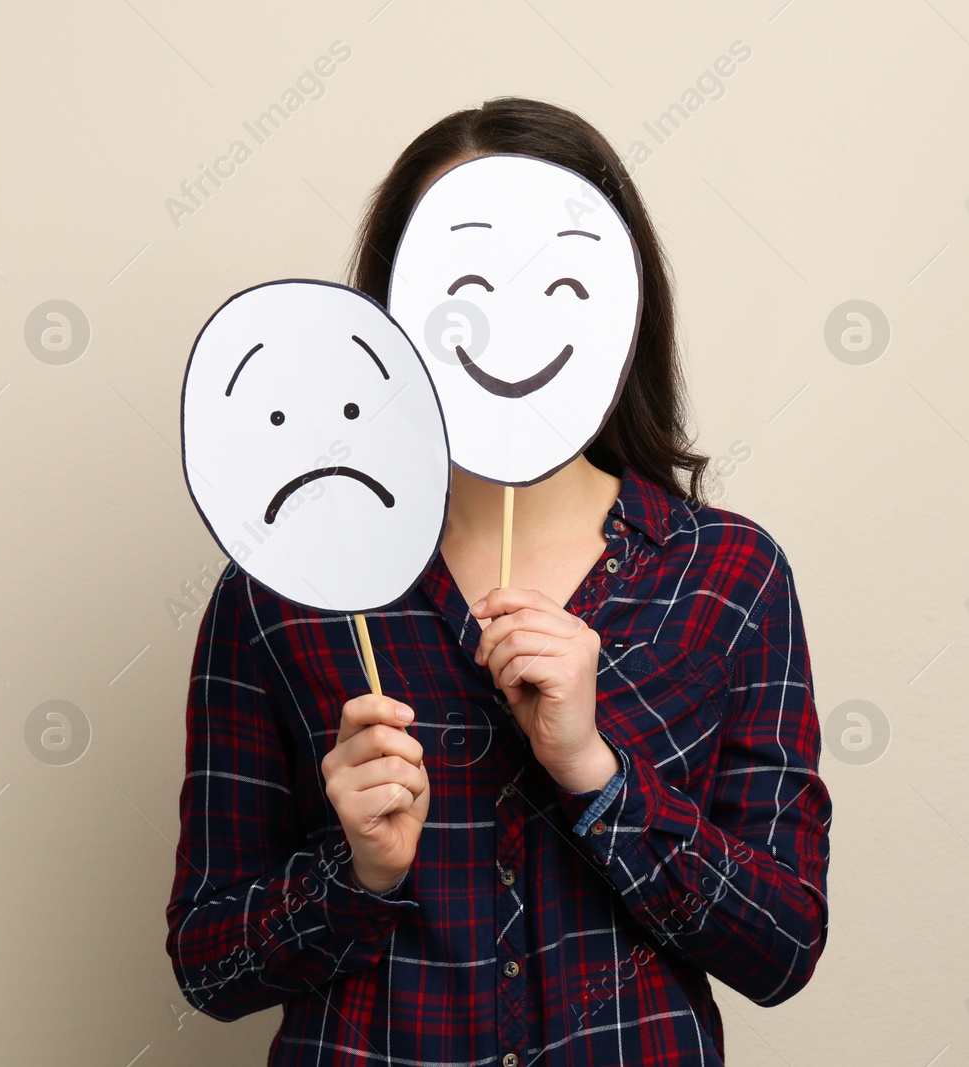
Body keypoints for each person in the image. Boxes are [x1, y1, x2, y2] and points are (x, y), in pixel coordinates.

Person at [166, 97, 831, 1067]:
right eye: (463, 279)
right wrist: (356, 873)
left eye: (553, 278)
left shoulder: (727, 575)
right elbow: (208, 961)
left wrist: (596, 773)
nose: (505, 321)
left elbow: (781, 943)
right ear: (393, 305)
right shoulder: (283, 590)